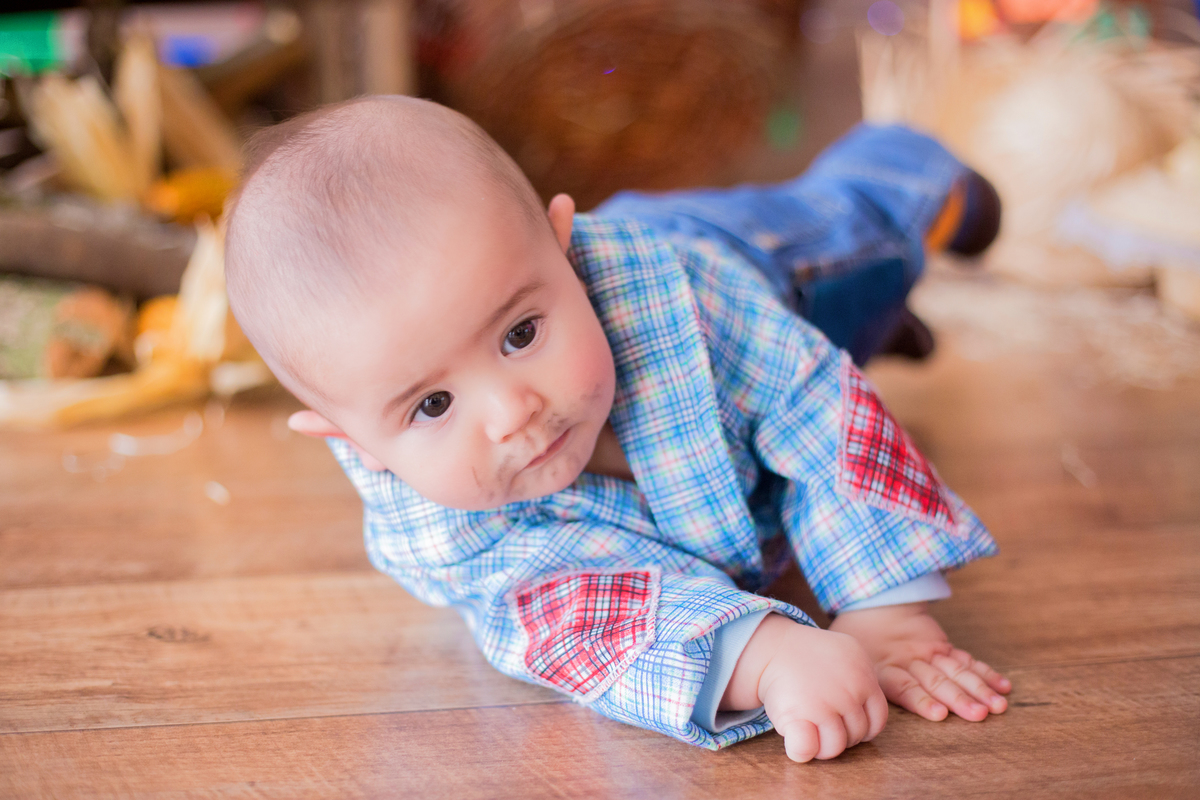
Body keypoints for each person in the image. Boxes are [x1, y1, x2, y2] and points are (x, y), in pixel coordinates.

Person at [224, 96, 1010, 763]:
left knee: (858, 238)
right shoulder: (453, 537)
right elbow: (592, 617)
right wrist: (758, 655)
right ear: (347, 440)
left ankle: (915, 170)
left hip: (751, 267)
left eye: (520, 334)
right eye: (432, 406)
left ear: (564, 248)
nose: (512, 412)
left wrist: (884, 611)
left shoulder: (688, 301)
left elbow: (812, 404)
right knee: (859, 327)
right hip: (730, 366)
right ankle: (883, 327)